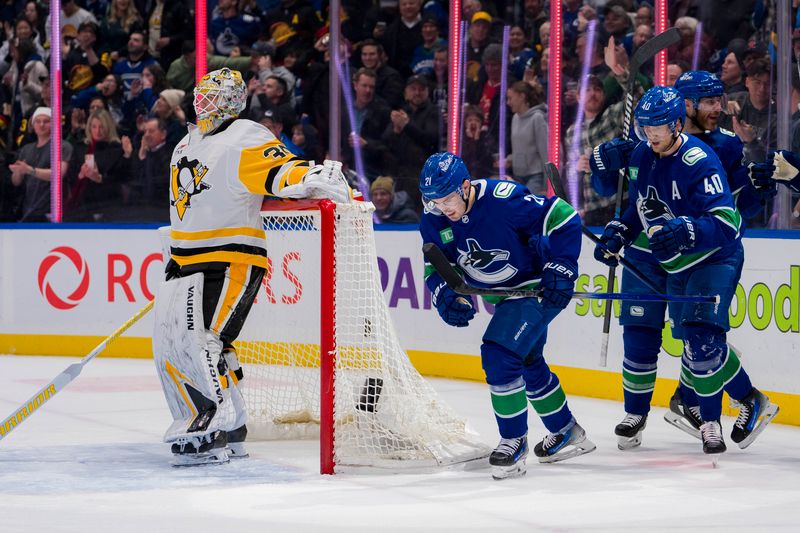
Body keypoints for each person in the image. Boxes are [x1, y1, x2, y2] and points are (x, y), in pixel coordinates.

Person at [153, 67, 352, 466]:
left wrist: (313, 176)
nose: (203, 101)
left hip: (231, 259)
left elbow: (280, 170)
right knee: (183, 346)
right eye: (202, 93)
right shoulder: (183, 145)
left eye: (214, 95)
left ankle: (209, 426)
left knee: (203, 341)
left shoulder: (245, 135)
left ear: (233, 102)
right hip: (185, 262)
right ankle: (233, 426)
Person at [592, 73, 779, 451]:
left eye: (657, 126)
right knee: (662, 338)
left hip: (707, 256)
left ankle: (714, 416)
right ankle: (663, 409)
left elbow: (731, 216)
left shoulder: (706, 154)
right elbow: (634, 203)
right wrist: (618, 230)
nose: (718, 109)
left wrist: (690, 229)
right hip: (663, 257)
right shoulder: (645, 151)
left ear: (677, 120)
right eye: (708, 101)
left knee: (702, 340)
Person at [418, 152, 595, 480]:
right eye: (434, 201)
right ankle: (566, 431)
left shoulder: (503, 200)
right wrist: (445, 293)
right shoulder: (434, 217)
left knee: (499, 354)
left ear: (466, 186)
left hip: (537, 288)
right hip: (507, 296)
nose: (443, 209)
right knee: (527, 361)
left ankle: (513, 441)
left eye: (447, 200)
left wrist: (563, 265)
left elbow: (564, 217)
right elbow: (437, 263)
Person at [9, 107, 73, 222]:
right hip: (28, 211)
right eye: (38, 121)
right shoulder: (26, 149)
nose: (41, 124)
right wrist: (17, 172)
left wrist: (29, 170)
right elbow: (16, 182)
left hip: (53, 212)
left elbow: (58, 174)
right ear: (33, 125)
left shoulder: (62, 146)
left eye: (46, 121)